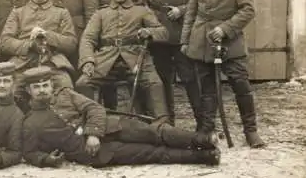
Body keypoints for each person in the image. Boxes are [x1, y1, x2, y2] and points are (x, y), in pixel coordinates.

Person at [21, 66, 221, 169]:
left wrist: (93, 133)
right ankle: (204, 156)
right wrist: (46, 159)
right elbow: (29, 152)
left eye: (45, 85)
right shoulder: (30, 122)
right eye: (36, 87)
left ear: (51, 85)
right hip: (96, 153)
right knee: (151, 153)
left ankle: (201, 139)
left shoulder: (65, 94)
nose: (42, 91)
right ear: (29, 91)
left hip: (109, 126)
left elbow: (95, 109)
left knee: (154, 132)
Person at [180, 0, 265, 148]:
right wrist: (185, 40)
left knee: (240, 84)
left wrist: (225, 29)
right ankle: (207, 130)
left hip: (230, 43)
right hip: (202, 43)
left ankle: (251, 131)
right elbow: (191, 12)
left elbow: (248, 9)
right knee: (206, 89)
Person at [78, 0, 169, 121]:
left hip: (136, 59)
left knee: (155, 84)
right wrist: (88, 60)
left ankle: (162, 123)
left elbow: (163, 32)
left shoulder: (141, 10)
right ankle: (90, 120)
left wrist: (149, 32)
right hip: (106, 61)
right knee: (83, 83)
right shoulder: (101, 13)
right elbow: (88, 38)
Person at [139, 0, 201, 128]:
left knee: (190, 78)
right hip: (159, 37)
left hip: (182, 35)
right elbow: (142, 3)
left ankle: (202, 121)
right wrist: (151, 18)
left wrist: (181, 10)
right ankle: (169, 120)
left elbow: (196, 1)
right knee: (164, 79)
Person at [0, 0, 77, 112]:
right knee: (12, 91)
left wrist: (48, 36)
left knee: (65, 89)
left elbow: (71, 43)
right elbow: (4, 41)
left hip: (53, 63)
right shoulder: (18, 12)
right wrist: (28, 45)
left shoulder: (61, 12)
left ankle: (64, 124)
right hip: (23, 64)